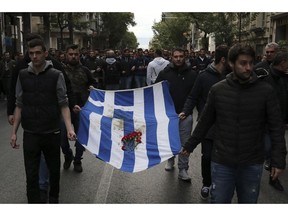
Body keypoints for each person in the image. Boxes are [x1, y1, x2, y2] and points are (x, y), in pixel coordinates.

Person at [181, 43, 287, 203]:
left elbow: (276, 127)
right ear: (231, 63)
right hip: (222, 162)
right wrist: (189, 145)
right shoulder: (218, 90)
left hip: (252, 163)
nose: (249, 67)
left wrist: (278, 160)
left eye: (251, 63)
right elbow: (205, 121)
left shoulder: (265, 91)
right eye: (243, 63)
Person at [10, 38, 76, 203]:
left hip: (51, 133)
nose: (34, 56)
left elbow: (63, 104)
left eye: (38, 53)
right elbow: (19, 105)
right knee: (31, 175)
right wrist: (14, 133)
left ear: (45, 54)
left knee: (54, 173)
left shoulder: (56, 75)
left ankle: (53, 201)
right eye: (31, 53)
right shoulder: (23, 75)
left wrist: (69, 128)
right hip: (31, 134)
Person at [179, 44, 230, 199]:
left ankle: (220, 184)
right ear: (223, 59)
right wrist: (185, 111)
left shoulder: (233, 75)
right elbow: (193, 96)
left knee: (223, 158)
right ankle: (206, 184)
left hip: (227, 126)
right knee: (207, 156)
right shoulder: (203, 76)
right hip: (207, 125)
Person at [155, 48, 197, 181]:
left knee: (185, 143)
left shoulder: (192, 74)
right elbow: (155, 90)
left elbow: (194, 95)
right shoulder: (165, 73)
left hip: (185, 114)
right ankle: (170, 160)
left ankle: (183, 169)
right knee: (169, 140)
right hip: (169, 115)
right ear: (171, 57)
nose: (178, 59)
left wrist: (186, 110)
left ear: (185, 57)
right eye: (176, 56)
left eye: (181, 56)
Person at [61, 44, 97, 172]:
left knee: (81, 137)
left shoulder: (85, 70)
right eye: (71, 54)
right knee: (62, 139)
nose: (73, 56)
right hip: (64, 108)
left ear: (79, 55)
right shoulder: (60, 71)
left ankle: (77, 160)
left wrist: (92, 86)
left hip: (82, 109)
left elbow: (93, 82)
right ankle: (68, 155)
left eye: (76, 54)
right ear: (66, 55)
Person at [256, 51, 288, 192]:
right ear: (282, 63)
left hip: (279, 123)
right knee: (266, 150)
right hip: (264, 125)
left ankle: (273, 178)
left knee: (278, 151)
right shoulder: (263, 75)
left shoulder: (284, 77)